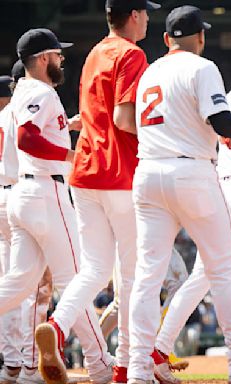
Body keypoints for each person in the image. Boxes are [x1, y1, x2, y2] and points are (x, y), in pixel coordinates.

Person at [128, 6, 231, 384]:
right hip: (191, 171)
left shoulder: (150, 71)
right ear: (201, 37)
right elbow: (224, 123)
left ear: (166, 39)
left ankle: (138, 367)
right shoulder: (202, 67)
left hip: (148, 172)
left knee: (147, 276)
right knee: (223, 268)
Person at [34, 1, 160, 383]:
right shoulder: (132, 54)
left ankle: (56, 327)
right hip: (120, 173)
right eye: (146, 12)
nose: (149, 18)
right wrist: (162, 132)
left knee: (94, 270)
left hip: (84, 173)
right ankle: (127, 362)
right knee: (134, 275)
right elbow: (124, 118)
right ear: (134, 15)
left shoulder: (94, 53)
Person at [0, 28, 113, 384]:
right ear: (43, 57)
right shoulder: (42, 91)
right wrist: (71, 153)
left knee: (19, 284)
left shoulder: (24, 92)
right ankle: (99, 363)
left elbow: (36, 131)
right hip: (46, 193)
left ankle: (97, 361)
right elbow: (28, 138)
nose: (62, 59)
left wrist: (67, 126)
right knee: (76, 280)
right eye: (58, 54)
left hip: (24, 195)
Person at [0, 62, 56, 384]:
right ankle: (28, 366)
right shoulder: (22, 113)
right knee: (33, 286)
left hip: (4, 198)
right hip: (20, 193)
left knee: (13, 284)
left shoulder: (4, 116)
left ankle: (12, 364)